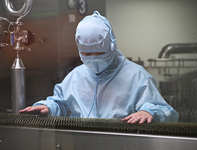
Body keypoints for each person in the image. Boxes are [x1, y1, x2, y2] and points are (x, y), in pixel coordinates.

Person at [19, 11, 179, 124]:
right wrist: (49, 107)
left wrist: (148, 112)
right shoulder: (76, 76)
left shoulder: (137, 77)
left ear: (112, 46)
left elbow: (164, 110)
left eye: (99, 53)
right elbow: (62, 104)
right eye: (86, 54)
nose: (93, 59)